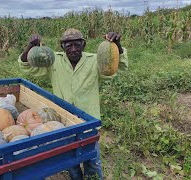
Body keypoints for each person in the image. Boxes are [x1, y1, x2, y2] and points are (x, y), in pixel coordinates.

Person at [18, 28, 128, 180]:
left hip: (88, 122)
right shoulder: (53, 61)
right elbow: (27, 67)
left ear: (84, 45)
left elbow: (118, 69)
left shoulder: (94, 61)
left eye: (77, 44)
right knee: (70, 161)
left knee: (92, 161)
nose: (73, 49)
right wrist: (30, 47)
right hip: (63, 122)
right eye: (68, 45)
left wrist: (117, 46)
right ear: (62, 46)